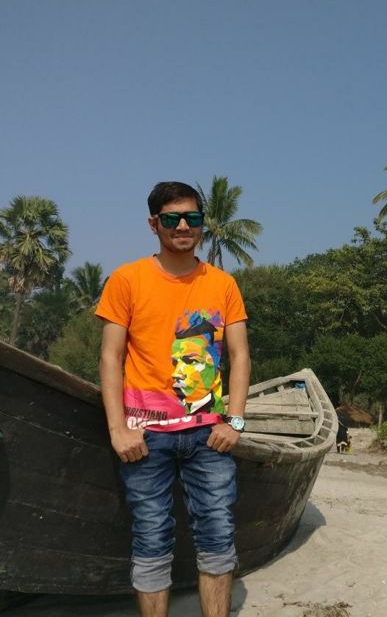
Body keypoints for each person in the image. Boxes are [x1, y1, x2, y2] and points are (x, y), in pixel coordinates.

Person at [96, 181, 250, 617]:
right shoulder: (127, 279)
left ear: (202, 223)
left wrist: (235, 422)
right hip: (145, 437)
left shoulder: (222, 284)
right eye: (172, 218)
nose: (183, 226)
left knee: (218, 534)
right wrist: (117, 430)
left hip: (209, 435)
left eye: (192, 217)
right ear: (154, 224)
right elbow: (110, 358)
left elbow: (240, 357)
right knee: (151, 536)